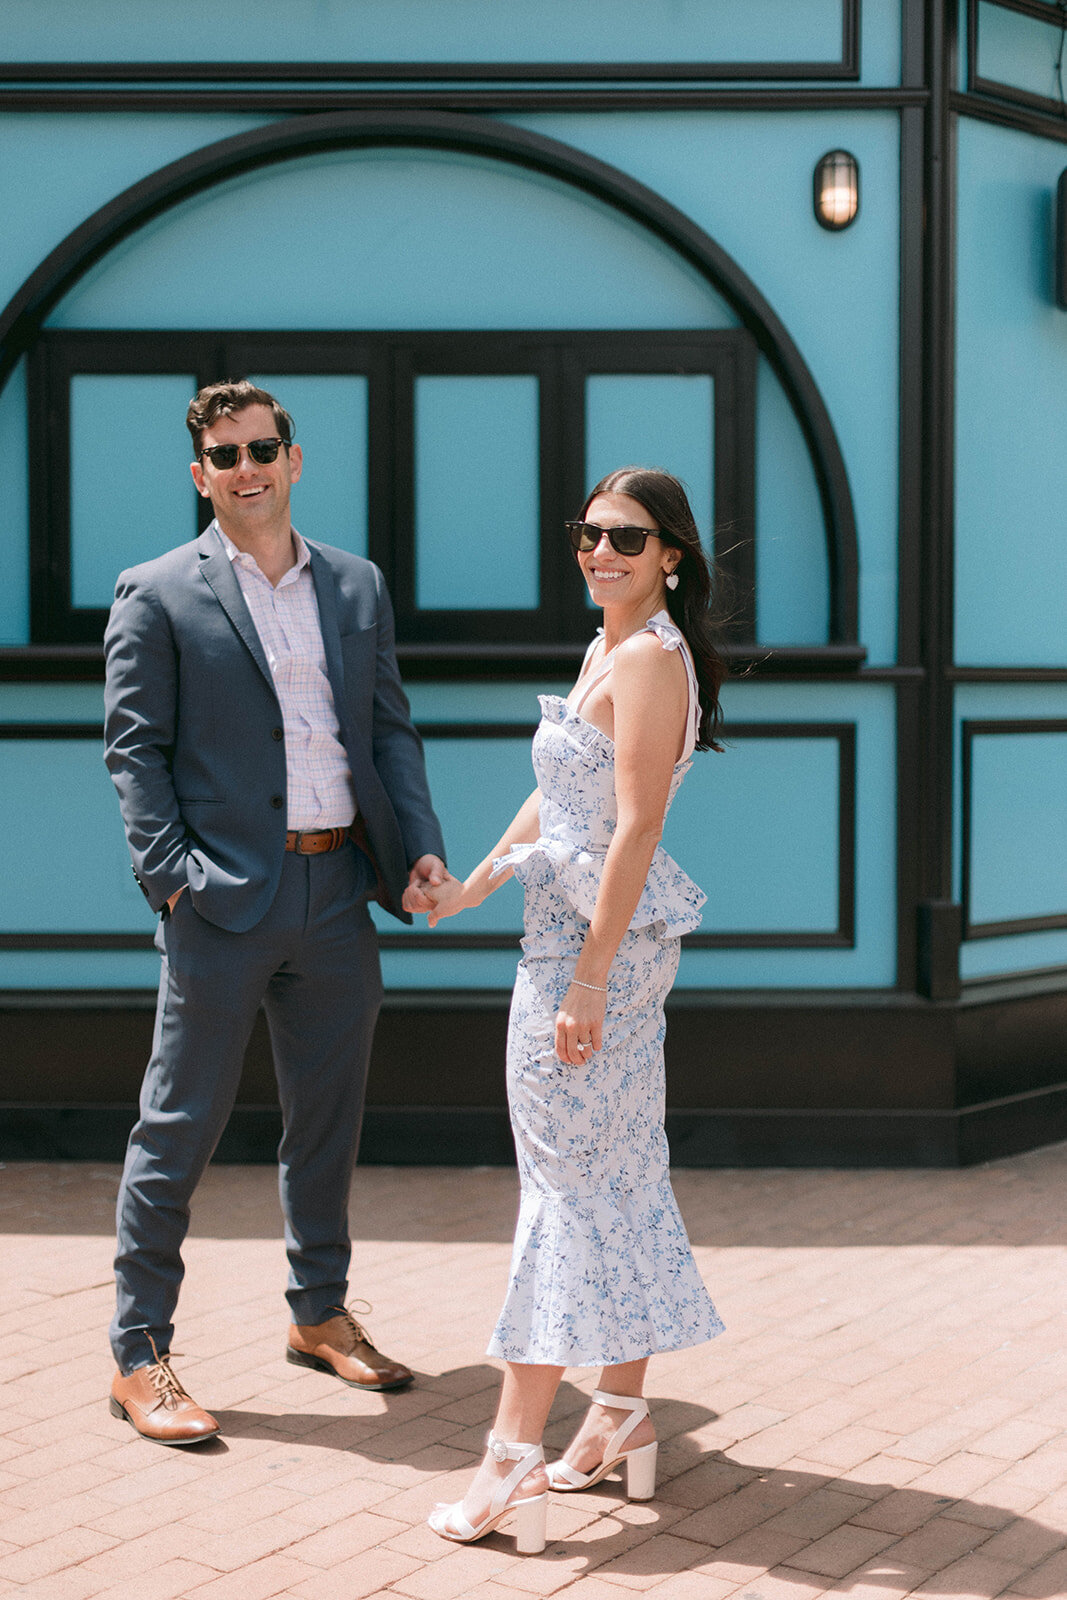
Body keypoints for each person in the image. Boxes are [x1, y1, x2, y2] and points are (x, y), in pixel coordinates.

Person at [102, 379, 448, 1445]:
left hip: (338, 888)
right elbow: (133, 751)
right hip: (221, 901)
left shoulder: (353, 585)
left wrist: (417, 845)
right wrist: (173, 880)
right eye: (224, 455)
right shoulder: (156, 592)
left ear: (294, 458)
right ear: (199, 474)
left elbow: (387, 731)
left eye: (262, 447)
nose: (246, 468)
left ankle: (318, 1313)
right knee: (179, 1126)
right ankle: (139, 1352)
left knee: (326, 1122)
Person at [420, 467, 726, 1553]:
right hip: (584, 941)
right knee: (616, 1170)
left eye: (627, 539)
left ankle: (509, 1454)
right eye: (588, 534)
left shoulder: (645, 658)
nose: (601, 551)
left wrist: (588, 973)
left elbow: (634, 828)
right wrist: (470, 885)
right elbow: (563, 799)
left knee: (560, 1191)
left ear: (670, 556)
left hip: (585, 954)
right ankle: (620, 1409)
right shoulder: (614, 643)